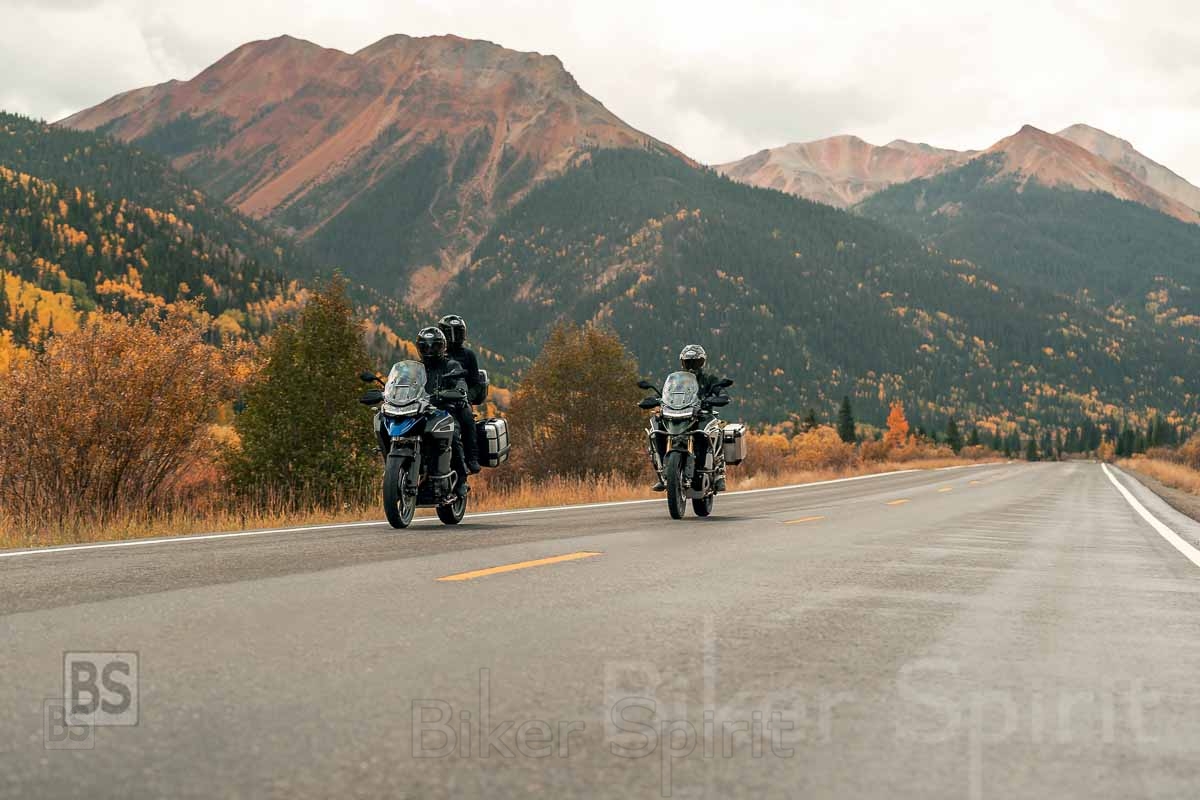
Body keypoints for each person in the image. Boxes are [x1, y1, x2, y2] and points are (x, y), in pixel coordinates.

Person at [652, 344, 732, 492]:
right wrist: (654, 399)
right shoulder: (676, 381)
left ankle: (719, 473)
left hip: (701, 415)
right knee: (657, 428)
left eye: (695, 362)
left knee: (714, 430)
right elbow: (664, 394)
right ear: (683, 362)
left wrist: (719, 396)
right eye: (688, 362)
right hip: (678, 414)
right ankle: (663, 472)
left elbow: (720, 392)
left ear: (701, 362)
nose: (691, 365)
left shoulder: (709, 379)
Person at [415, 326, 471, 496]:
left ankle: (461, 479)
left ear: (442, 347)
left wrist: (458, 390)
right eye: (425, 346)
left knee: (453, 434)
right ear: (419, 348)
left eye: (434, 346)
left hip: (444, 411)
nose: (429, 350)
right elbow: (402, 382)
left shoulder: (450, 365)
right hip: (419, 412)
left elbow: (460, 381)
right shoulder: (416, 368)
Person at [437, 314, 483, 473]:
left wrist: (466, 397)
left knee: (468, 418)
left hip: (460, 400)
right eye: (450, 333)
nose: (455, 337)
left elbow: (476, 383)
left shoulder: (468, 355)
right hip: (438, 399)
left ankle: (471, 458)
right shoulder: (435, 353)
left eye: (458, 332)